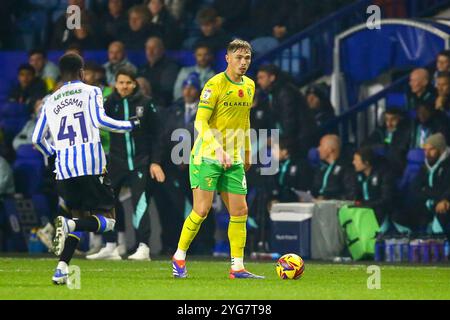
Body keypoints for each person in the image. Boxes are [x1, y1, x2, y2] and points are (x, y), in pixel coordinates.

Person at [31, 53, 140, 285]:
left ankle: (61, 268)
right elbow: (100, 121)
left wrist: (53, 154)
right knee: (108, 220)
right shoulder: (91, 91)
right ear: (81, 72)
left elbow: (36, 139)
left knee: (77, 217)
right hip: (90, 166)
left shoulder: (50, 100)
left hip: (65, 170)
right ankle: (70, 226)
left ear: (61, 74)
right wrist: (130, 125)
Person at [171, 39, 264, 279]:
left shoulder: (250, 86)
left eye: (247, 58)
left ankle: (237, 267)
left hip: (233, 158)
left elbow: (244, 121)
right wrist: (219, 150)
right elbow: (199, 122)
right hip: (207, 156)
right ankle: (179, 257)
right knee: (201, 210)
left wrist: (245, 151)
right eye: (239, 58)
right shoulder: (214, 84)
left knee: (240, 210)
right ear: (227, 58)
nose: (243, 63)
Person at [86, 67, 164, 261]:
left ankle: (143, 247)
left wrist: (155, 162)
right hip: (116, 161)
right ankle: (111, 246)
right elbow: (93, 123)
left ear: (135, 83)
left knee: (140, 203)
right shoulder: (109, 103)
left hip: (141, 162)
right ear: (115, 84)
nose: (124, 86)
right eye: (121, 82)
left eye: (128, 83)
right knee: (106, 201)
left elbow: (158, 136)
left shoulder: (146, 104)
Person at [257, 64, 317, 158]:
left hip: (300, 142)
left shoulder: (285, 92)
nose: (259, 81)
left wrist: (282, 142)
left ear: (272, 77)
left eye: (261, 77)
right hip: (293, 141)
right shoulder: (274, 93)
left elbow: (289, 121)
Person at [410, 133, 450, 238]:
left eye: (431, 150)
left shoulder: (447, 165)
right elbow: (415, 187)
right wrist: (430, 195)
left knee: (442, 212)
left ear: (440, 149)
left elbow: (446, 189)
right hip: (428, 203)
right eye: (425, 150)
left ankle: (441, 248)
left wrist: (444, 198)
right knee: (399, 213)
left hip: (443, 204)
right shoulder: (425, 166)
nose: (427, 154)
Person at [351, 146, 395, 229]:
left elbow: (386, 198)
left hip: (381, 212)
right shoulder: (358, 175)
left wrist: (365, 205)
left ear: (366, 162)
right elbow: (355, 194)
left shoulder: (384, 173)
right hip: (364, 211)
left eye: (356, 160)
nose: (353, 162)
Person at [363, 108, 411, 175]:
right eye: (387, 119)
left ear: (400, 119)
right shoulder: (380, 131)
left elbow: (400, 149)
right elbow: (366, 144)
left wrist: (385, 149)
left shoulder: (405, 132)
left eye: (393, 119)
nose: (389, 123)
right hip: (378, 166)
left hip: (395, 167)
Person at [138, 36, 180, 107]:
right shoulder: (143, 68)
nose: (150, 52)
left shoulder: (170, 67)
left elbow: (166, 94)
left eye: (154, 48)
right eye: (148, 48)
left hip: (160, 106)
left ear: (162, 50)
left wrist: (147, 90)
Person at [311, 134, 353, 200]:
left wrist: (328, 199)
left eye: (321, 146)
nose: (318, 149)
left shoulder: (346, 167)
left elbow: (350, 193)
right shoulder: (322, 167)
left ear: (330, 149)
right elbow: (315, 188)